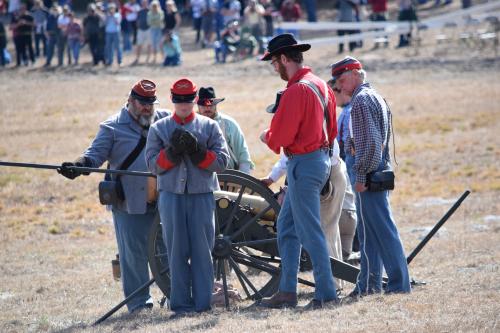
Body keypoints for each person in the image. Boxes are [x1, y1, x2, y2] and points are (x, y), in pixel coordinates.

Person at [58, 79, 171, 313]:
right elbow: (94, 155)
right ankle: (140, 304)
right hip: (130, 202)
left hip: (165, 201)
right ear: (130, 101)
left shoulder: (165, 120)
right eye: (141, 103)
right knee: (133, 257)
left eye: (150, 103)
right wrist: (79, 166)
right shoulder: (112, 127)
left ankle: (175, 296)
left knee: (170, 250)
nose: (147, 108)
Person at [257, 33, 339, 310]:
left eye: (273, 63)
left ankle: (326, 293)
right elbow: (333, 128)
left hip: (304, 163)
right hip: (315, 160)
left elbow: (280, 135)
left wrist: (266, 136)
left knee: (309, 230)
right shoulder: (320, 85)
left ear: (283, 59)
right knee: (287, 227)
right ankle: (287, 291)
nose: (274, 68)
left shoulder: (296, 90)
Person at [145, 78, 229, 318]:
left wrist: (197, 152)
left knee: (203, 251)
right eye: (179, 100)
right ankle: (181, 305)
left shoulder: (209, 127)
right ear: (172, 99)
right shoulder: (158, 129)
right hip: (171, 196)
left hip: (201, 195)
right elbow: (152, 166)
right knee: (176, 250)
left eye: (188, 100)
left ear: (194, 100)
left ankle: (203, 304)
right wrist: (171, 153)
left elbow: (222, 163)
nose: (184, 104)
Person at [331, 56, 411, 297]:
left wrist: (362, 176)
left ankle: (396, 284)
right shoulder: (371, 96)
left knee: (379, 231)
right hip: (376, 169)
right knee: (372, 232)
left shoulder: (362, 101)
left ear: (356, 73)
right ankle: (370, 284)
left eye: (342, 80)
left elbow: (370, 145)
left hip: (368, 171)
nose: (340, 87)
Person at [196, 86, 254, 173]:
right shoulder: (191, 124)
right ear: (198, 105)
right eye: (204, 105)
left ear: (216, 105)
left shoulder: (229, 124)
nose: (208, 108)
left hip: (227, 177)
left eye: (211, 104)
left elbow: (243, 155)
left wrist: (240, 181)